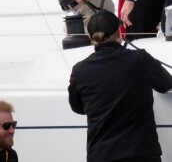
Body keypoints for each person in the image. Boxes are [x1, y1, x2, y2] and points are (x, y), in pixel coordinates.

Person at [68, 9, 172, 162]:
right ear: (119, 33)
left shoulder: (80, 70)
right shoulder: (139, 59)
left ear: (91, 38)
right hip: (141, 153)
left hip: (101, 155)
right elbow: (166, 83)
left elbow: (78, 107)